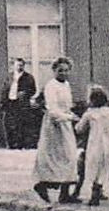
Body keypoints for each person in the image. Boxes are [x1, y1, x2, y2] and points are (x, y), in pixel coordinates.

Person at [32, 58, 80, 203]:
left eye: (66, 70)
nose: (64, 73)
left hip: (65, 124)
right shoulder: (50, 86)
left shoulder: (66, 85)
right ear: (54, 71)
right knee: (53, 158)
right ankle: (41, 184)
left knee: (70, 157)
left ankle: (64, 194)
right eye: (60, 70)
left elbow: (67, 105)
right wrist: (68, 117)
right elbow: (52, 109)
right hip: (53, 126)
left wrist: (71, 115)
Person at [75, 86, 109, 207]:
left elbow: (79, 128)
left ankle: (95, 195)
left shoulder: (90, 114)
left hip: (97, 146)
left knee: (97, 168)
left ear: (91, 100)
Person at [7, 59, 37, 149]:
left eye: (21, 65)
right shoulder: (10, 76)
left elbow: (33, 90)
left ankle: (22, 144)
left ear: (23, 66)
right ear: (14, 66)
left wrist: (25, 93)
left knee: (22, 124)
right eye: (17, 65)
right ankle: (12, 144)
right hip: (11, 102)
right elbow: (5, 88)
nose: (19, 67)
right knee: (11, 124)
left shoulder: (28, 77)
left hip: (22, 104)